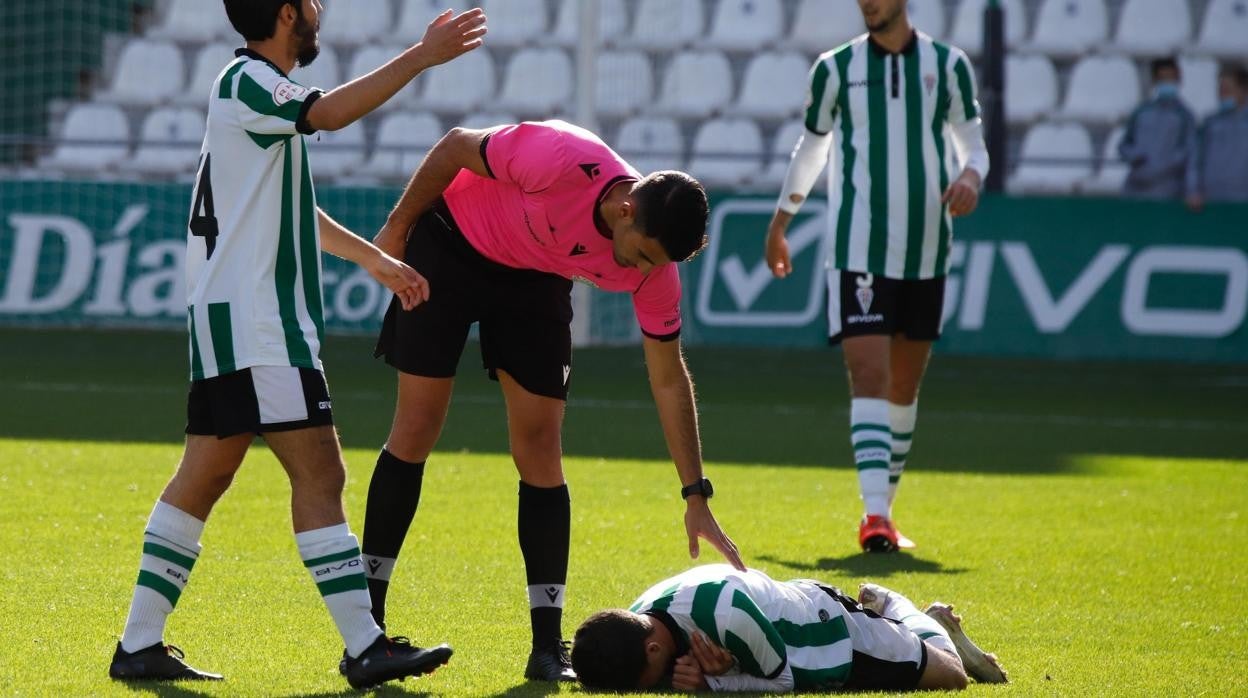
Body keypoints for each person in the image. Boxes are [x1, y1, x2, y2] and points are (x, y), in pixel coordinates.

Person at [106, 0, 486, 689]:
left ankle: (138, 645)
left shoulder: (248, 96)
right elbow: (330, 113)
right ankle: (365, 645)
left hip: (234, 316)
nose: (318, 12)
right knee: (321, 474)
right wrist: (422, 56)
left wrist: (373, 259)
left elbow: (289, 210)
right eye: (310, 3)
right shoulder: (248, 80)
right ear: (287, 13)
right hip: (258, 321)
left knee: (206, 475)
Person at [360, 120, 745, 682]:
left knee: (541, 448)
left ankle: (546, 648)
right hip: (450, 245)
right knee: (418, 426)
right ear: (626, 211)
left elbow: (667, 377)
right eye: (642, 257)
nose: (643, 271)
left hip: (535, 277)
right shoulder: (558, 157)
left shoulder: (654, 272)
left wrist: (696, 493)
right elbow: (454, 147)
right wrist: (395, 232)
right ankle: (367, 628)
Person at [763, 0, 988, 553]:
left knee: (903, 386)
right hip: (858, 247)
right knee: (868, 374)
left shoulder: (948, 64)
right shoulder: (835, 68)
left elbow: (973, 145)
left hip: (928, 248)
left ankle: (884, 509)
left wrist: (971, 179)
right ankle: (873, 515)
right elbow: (813, 145)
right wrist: (781, 221)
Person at [570, 564, 1007, 692]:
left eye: (645, 683)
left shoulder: (725, 614)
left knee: (951, 676)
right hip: (776, 619)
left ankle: (910, 613)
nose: (653, 688)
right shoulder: (638, 618)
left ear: (651, 650)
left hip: (827, 630)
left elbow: (782, 678)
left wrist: (716, 685)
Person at [1119, 56, 1197, 200]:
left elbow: (1189, 155)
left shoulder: (1184, 116)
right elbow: (1124, 145)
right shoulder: (1141, 112)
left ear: (1179, 79)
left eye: (1170, 78)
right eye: (1162, 78)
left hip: (1168, 189)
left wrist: (1192, 190)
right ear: (1155, 81)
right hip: (1135, 187)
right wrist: (1133, 155)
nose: (1167, 82)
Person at [1186, 64, 1248, 211]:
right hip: (1211, 202)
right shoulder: (1209, 123)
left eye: (1227, 90)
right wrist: (1193, 191)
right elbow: (1195, 161)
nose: (1222, 94)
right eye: (1220, 90)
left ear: (1244, 90)